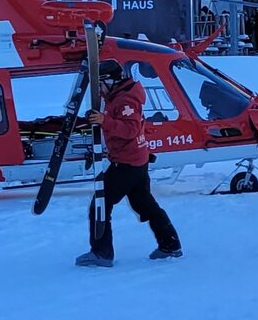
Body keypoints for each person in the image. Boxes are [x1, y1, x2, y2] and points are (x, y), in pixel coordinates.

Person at [78, 60, 183, 266]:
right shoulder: (119, 95)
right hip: (136, 159)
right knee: (144, 203)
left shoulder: (125, 100)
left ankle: (101, 253)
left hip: (127, 163)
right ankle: (170, 244)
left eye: (99, 85)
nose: (98, 90)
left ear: (110, 81)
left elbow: (130, 130)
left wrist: (104, 121)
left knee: (100, 204)